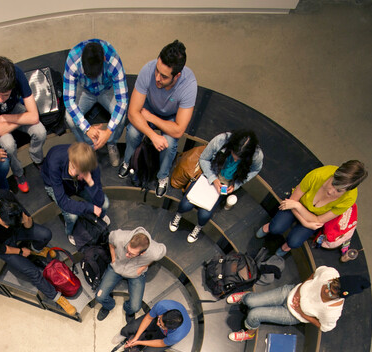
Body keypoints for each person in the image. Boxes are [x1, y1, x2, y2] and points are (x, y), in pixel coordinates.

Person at [0, 188, 75, 315]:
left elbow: (28, 225)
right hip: (4, 244)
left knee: (45, 234)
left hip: (16, 229)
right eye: (5, 224)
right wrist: (20, 251)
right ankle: (57, 298)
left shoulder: (7, 198)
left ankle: (35, 249)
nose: (6, 226)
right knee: (33, 272)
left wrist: (25, 219)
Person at [117, 40, 197, 198]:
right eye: (157, 71)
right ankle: (128, 161)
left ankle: (162, 176)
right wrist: (153, 135)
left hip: (170, 116)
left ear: (177, 75)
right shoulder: (148, 70)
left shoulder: (189, 85)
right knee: (132, 132)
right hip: (149, 107)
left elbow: (179, 130)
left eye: (164, 76)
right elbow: (133, 113)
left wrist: (150, 117)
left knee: (170, 143)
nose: (157, 78)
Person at [225, 267, 371, 342]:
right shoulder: (329, 273)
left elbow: (325, 327)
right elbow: (315, 274)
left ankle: (249, 333)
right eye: (330, 285)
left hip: (292, 313)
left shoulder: (332, 312)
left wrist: (302, 313)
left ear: (341, 296)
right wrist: (301, 289)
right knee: (250, 301)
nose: (326, 290)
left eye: (332, 293)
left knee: (254, 314)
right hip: (289, 292)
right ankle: (245, 297)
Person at [169, 130, 264, 243]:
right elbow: (204, 159)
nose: (235, 160)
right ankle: (178, 215)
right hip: (209, 175)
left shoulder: (257, 156)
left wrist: (236, 184)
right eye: (234, 154)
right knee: (185, 204)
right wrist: (213, 179)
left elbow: (255, 170)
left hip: (226, 184)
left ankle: (198, 227)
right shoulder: (220, 140)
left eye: (239, 158)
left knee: (204, 214)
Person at [257, 161, 368, 257]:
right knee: (276, 228)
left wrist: (298, 207)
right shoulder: (318, 175)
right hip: (302, 209)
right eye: (333, 183)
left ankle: (287, 246)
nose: (331, 191)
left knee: (294, 242)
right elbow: (293, 200)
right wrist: (305, 222)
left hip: (308, 214)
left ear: (347, 191)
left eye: (339, 191)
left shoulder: (348, 199)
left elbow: (319, 220)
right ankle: (269, 227)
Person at [0, 56, 46, 193]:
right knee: (9, 145)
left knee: (40, 131)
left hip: (11, 111)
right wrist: (24, 119)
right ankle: (18, 173)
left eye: (5, 95)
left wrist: (6, 118)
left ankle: (37, 159)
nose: (0, 100)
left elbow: (34, 117)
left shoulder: (17, 74)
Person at [63, 38, 128, 167]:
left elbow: (122, 101)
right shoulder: (73, 60)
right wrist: (87, 128)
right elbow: (68, 100)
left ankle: (111, 143)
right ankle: (86, 145)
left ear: (104, 60)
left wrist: (108, 132)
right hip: (85, 90)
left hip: (107, 89)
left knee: (122, 117)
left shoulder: (113, 60)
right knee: (69, 118)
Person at [41, 142, 109, 247]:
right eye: (72, 166)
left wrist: (90, 182)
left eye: (79, 171)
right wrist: (90, 208)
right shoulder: (55, 161)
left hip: (79, 184)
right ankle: (71, 232)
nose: (73, 172)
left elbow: (100, 201)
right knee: (72, 216)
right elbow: (63, 202)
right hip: (55, 185)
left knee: (105, 204)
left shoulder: (92, 166)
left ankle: (99, 219)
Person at [95, 227, 167, 322]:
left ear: (142, 253)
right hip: (116, 268)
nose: (127, 255)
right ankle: (108, 306)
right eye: (127, 250)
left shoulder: (154, 251)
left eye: (131, 254)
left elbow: (163, 250)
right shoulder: (119, 237)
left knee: (135, 307)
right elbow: (110, 240)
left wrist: (143, 267)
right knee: (100, 297)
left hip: (135, 274)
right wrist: (113, 258)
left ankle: (129, 311)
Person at [116, 299, 192, 352]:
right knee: (132, 327)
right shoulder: (162, 305)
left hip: (165, 337)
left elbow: (161, 342)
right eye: (159, 320)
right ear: (166, 311)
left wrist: (138, 342)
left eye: (161, 325)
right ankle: (124, 333)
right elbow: (149, 318)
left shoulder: (177, 335)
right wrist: (136, 337)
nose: (157, 324)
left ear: (172, 329)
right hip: (161, 320)